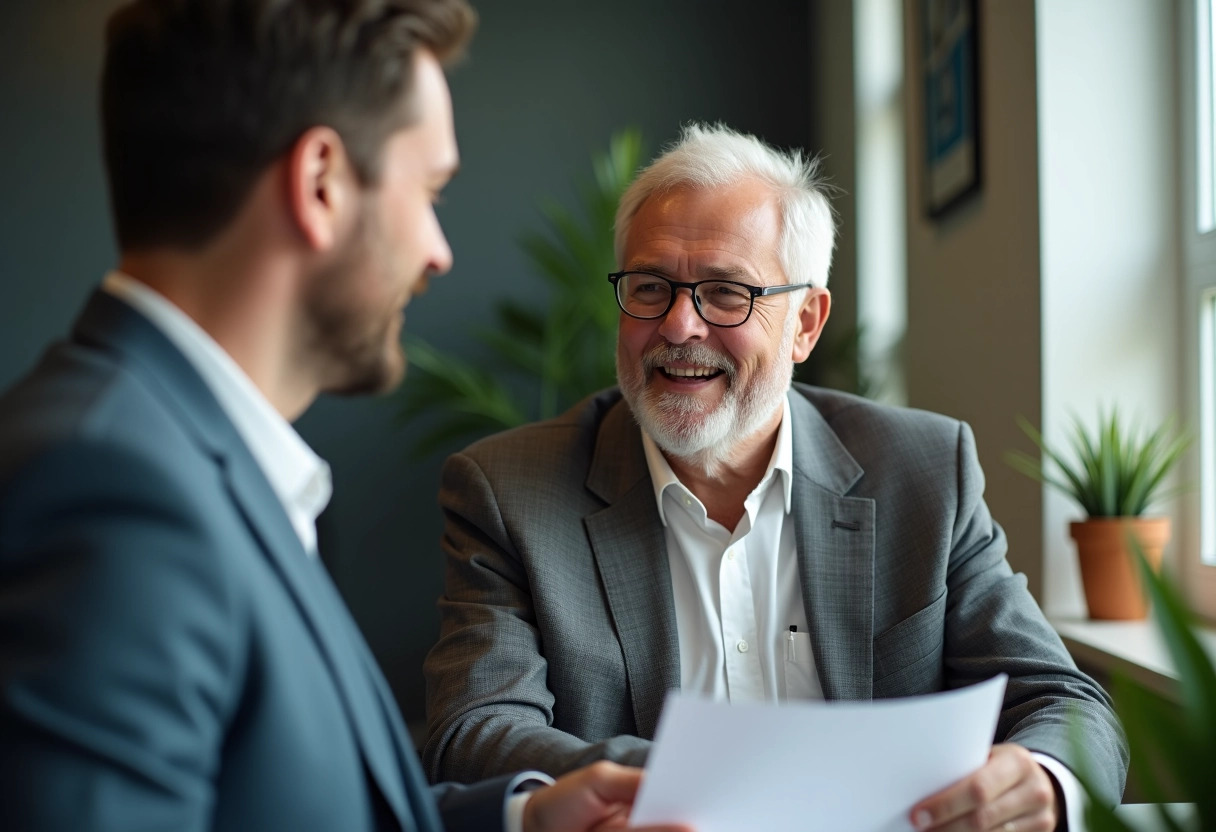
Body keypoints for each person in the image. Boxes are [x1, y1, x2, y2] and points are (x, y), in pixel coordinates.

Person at [0, 2, 690, 831]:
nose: (439, 250)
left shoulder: (173, 457)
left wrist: (524, 820)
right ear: (321, 181)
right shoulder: (116, 495)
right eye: (429, 191)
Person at [422, 123, 1128, 832]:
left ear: (805, 324)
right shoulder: (508, 489)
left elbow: (1063, 702)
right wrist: (728, 792)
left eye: (726, 293)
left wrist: (1044, 780)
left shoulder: (922, 472)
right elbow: (475, 732)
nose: (678, 325)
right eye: (649, 287)